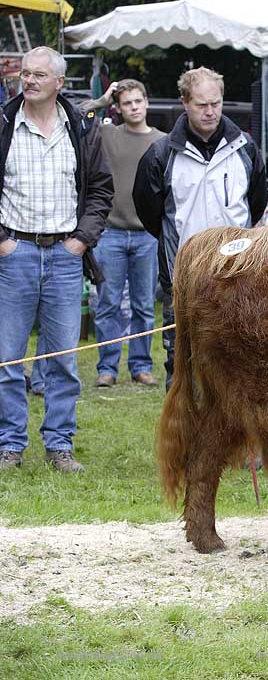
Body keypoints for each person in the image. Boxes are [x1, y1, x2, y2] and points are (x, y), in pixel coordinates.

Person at [0, 47, 113, 473]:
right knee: (8, 358)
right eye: (25, 74)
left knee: (63, 359)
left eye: (39, 75)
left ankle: (59, 445)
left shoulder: (82, 129)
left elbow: (102, 189)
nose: (29, 80)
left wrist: (81, 241)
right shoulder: (4, 123)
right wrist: (3, 244)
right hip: (15, 253)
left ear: (59, 83)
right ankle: (10, 444)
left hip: (66, 255)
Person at [133, 66, 268, 389]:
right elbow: (150, 211)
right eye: (201, 105)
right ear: (185, 103)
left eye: (216, 103)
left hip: (236, 276)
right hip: (183, 278)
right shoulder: (161, 154)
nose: (210, 112)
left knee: (236, 366)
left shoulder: (246, 148)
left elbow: (256, 202)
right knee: (182, 367)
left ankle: (235, 439)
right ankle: (185, 439)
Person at [81, 79, 165, 389]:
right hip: (111, 233)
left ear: (146, 102)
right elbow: (76, 115)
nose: (133, 107)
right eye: (126, 103)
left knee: (144, 305)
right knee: (108, 304)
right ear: (119, 107)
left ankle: (141, 366)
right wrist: (101, 101)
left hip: (146, 235)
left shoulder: (161, 141)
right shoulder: (107, 133)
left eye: (137, 101)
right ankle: (107, 367)